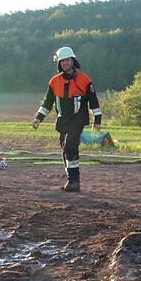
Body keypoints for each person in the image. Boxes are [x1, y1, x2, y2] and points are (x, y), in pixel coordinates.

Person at [31, 46, 102, 192]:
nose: (65, 63)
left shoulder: (85, 80)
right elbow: (47, 103)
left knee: (70, 145)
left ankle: (74, 181)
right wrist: (38, 118)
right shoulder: (54, 81)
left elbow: (94, 102)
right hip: (63, 120)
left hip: (79, 119)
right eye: (62, 61)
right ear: (59, 63)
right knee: (65, 148)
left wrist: (97, 121)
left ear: (73, 61)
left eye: (67, 60)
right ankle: (71, 179)